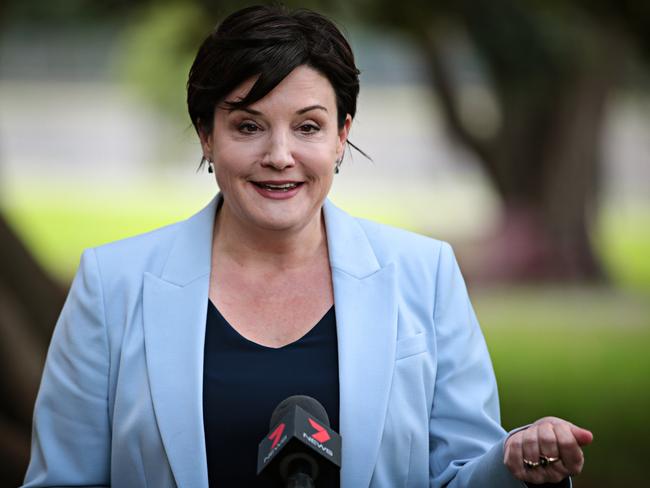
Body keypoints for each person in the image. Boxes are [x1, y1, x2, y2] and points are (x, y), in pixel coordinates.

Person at [22, 5, 592, 488]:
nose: (279, 155)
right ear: (206, 134)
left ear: (343, 133)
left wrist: (517, 461)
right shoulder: (111, 285)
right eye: (247, 126)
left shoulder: (425, 273)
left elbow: (459, 471)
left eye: (308, 126)